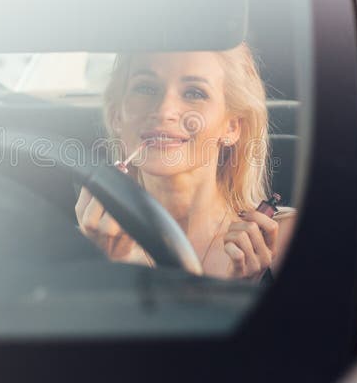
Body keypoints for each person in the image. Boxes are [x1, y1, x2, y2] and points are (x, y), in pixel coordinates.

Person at [75, 43, 296, 281]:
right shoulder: (85, 244)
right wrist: (106, 271)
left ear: (233, 126)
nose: (164, 110)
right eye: (146, 88)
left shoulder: (284, 238)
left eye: (194, 93)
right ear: (116, 115)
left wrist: (244, 293)